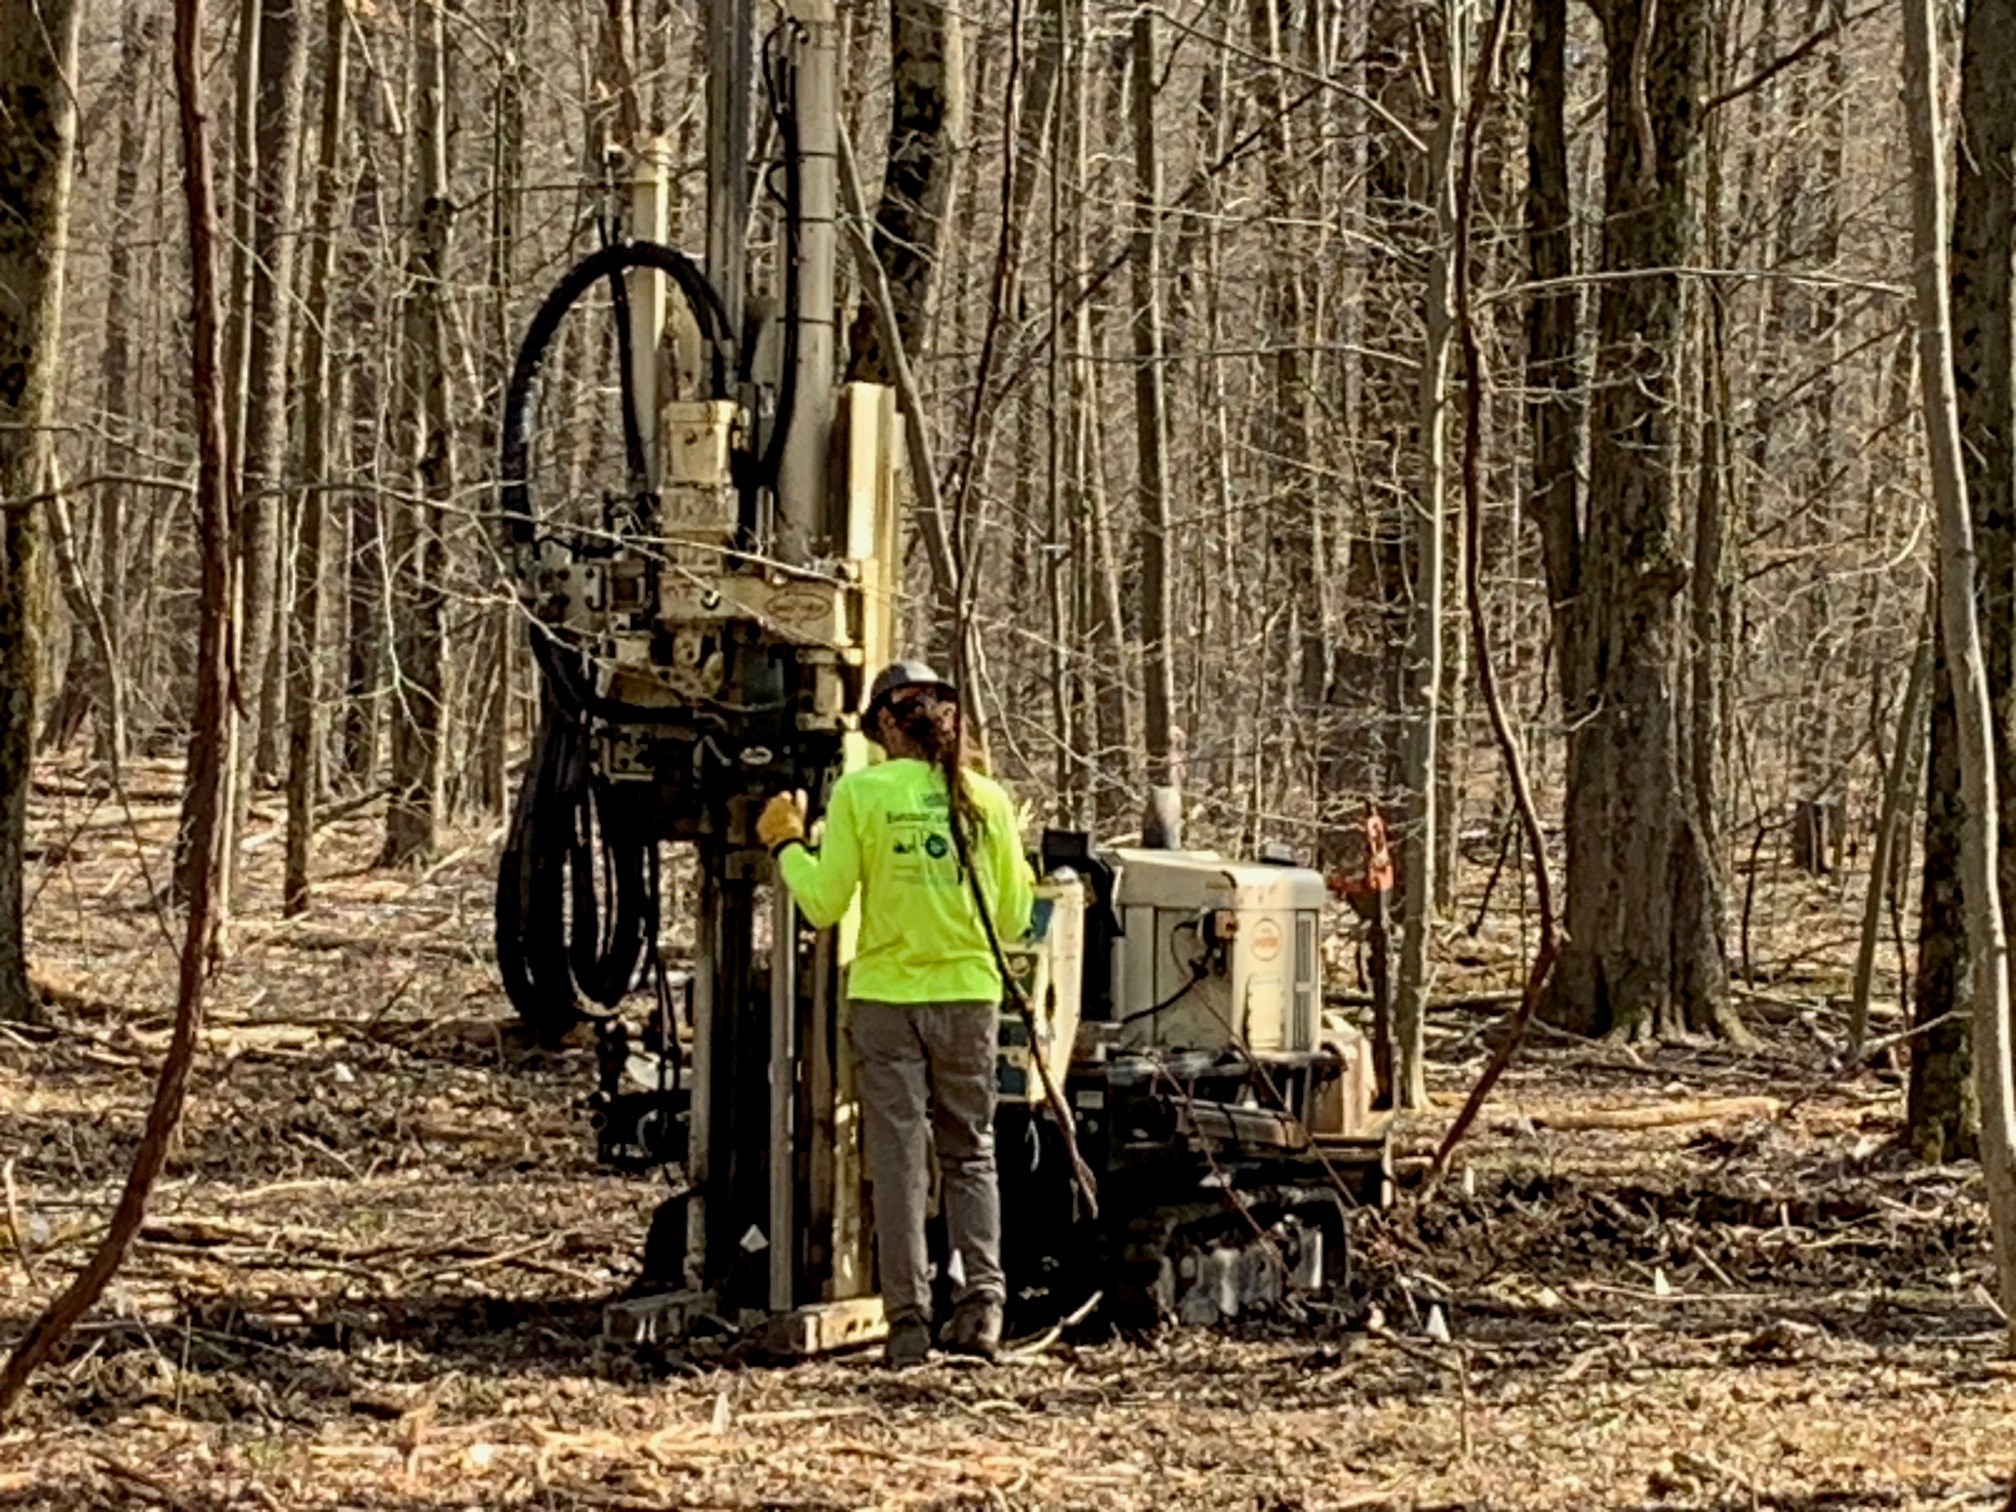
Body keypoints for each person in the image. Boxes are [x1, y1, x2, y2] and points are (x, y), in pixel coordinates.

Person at [756, 661, 1034, 1366]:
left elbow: (822, 903)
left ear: (882, 723)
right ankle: (981, 1311)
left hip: (886, 1000)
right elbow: (1013, 914)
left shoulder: (862, 795)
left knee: (899, 1160)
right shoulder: (986, 799)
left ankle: (908, 1324)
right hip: (969, 997)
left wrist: (785, 843)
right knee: (970, 1154)